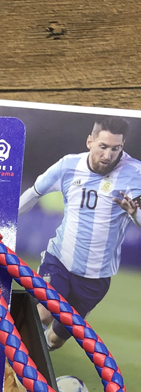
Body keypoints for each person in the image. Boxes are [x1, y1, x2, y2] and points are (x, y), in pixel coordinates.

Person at [19, 116, 141, 349]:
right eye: (103, 146)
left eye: (116, 149)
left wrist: (134, 213)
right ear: (89, 142)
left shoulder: (135, 174)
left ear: (122, 146)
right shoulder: (68, 166)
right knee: (43, 312)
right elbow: (34, 193)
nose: (108, 155)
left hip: (96, 277)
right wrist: (4, 221)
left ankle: (37, 354)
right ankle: (11, 360)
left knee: (54, 340)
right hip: (60, 261)